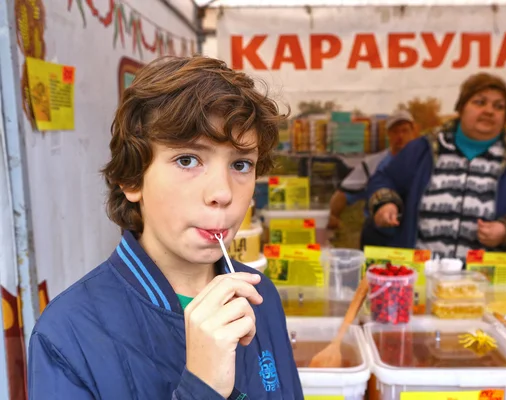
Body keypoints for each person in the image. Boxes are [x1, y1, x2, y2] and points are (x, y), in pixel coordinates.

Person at [28, 56, 303, 399]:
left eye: (241, 164)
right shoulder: (67, 334)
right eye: (187, 160)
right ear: (131, 179)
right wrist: (202, 388)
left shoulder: (261, 296)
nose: (222, 192)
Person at [367, 72, 506, 260]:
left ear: (505, 117)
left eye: (499, 107)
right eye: (480, 102)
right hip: (421, 279)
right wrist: (385, 203)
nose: (489, 111)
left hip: (485, 287)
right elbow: (385, 179)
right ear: (461, 108)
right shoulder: (423, 149)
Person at [327, 111, 416, 240]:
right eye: (395, 131)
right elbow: (343, 193)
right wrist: (333, 217)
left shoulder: (424, 164)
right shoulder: (372, 164)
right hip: (379, 235)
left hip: (412, 234)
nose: (400, 136)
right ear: (388, 134)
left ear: (414, 133)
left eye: (405, 131)